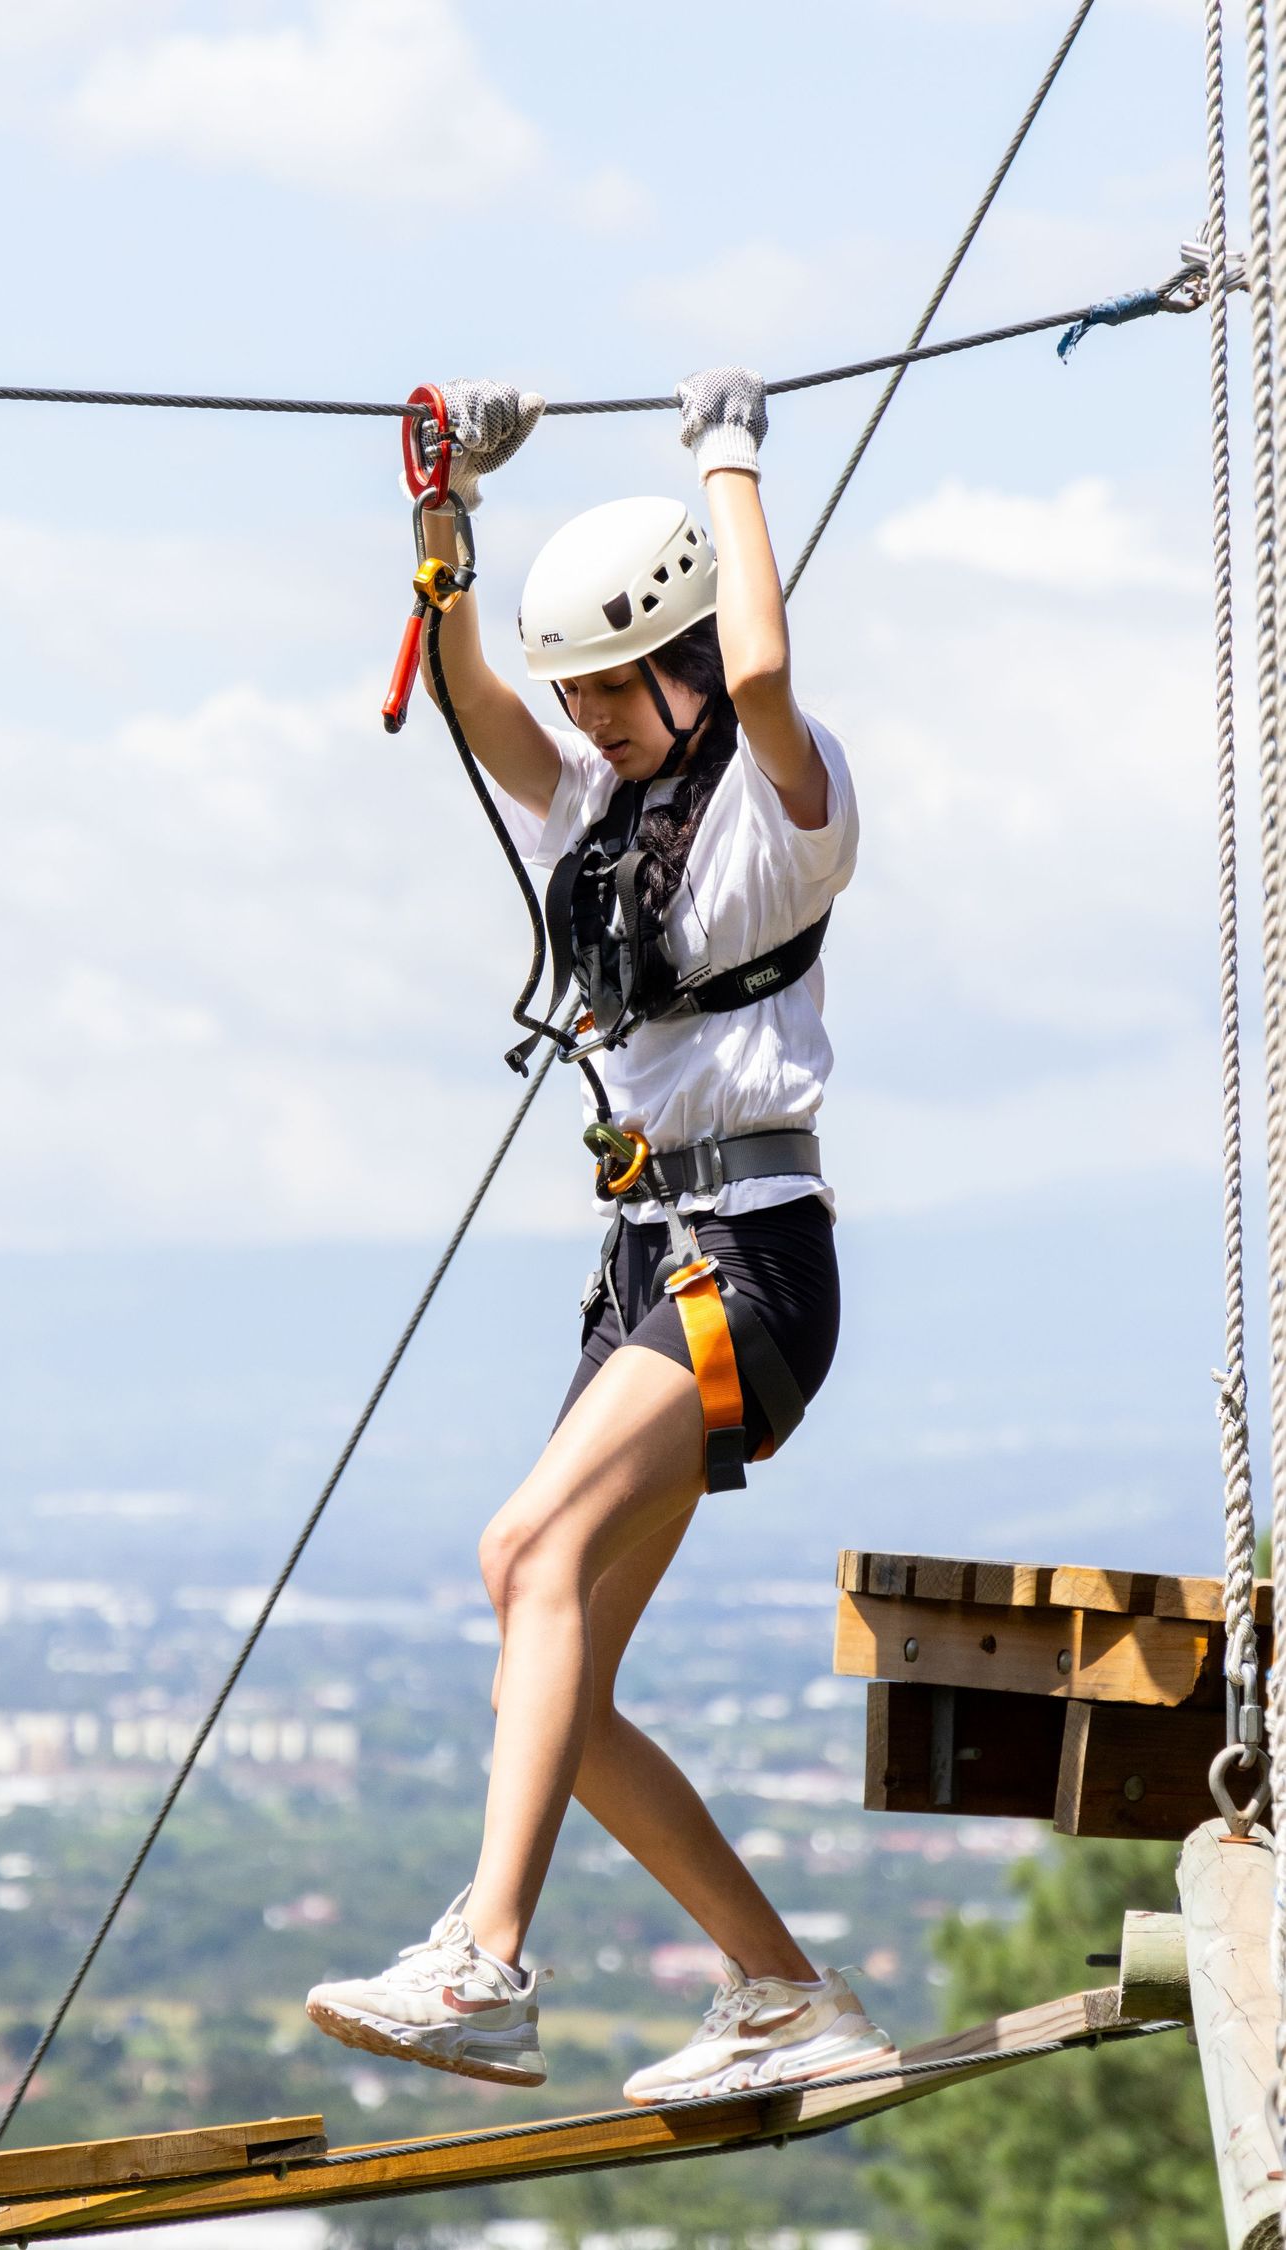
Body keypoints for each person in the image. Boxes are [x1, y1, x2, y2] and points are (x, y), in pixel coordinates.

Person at [305, 370, 893, 2104]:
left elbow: (768, 672)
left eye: (620, 689)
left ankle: (486, 1962)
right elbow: (469, 687)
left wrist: (727, 455)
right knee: (547, 1673)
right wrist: (447, 509)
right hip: (653, 1265)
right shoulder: (594, 806)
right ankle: (786, 1991)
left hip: (749, 1259)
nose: (593, 721)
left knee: (524, 1551)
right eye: (583, 696)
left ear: (687, 659)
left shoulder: (785, 811)